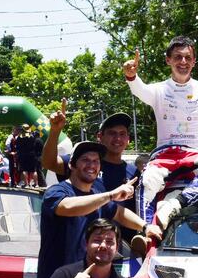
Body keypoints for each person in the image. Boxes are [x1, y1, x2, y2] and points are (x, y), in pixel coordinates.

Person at [122, 37, 198, 229]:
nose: (183, 62)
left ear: (194, 61)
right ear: (168, 60)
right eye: (178, 57)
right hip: (164, 157)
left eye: (187, 58)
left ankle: (177, 204)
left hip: (195, 156)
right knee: (145, 183)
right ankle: (147, 233)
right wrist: (131, 76)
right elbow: (140, 91)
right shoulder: (159, 90)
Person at [36, 141, 161, 278]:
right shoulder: (57, 191)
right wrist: (110, 195)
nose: (91, 165)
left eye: (96, 161)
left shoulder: (96, 196)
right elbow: (67, 207)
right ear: (72, 165)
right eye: (85, 160)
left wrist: (145, 227)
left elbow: (119, 213)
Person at [43, 101, 143, 248]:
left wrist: (146, 228)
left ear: (128, 140)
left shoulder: (134, 173)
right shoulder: (81, 166)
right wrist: (55, 131)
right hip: (79, 248)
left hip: (121, 251)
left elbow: (121, 213)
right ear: (99, 136)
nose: (117, 138)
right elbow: (49, 163)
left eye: (122, 134)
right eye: (112, 133)